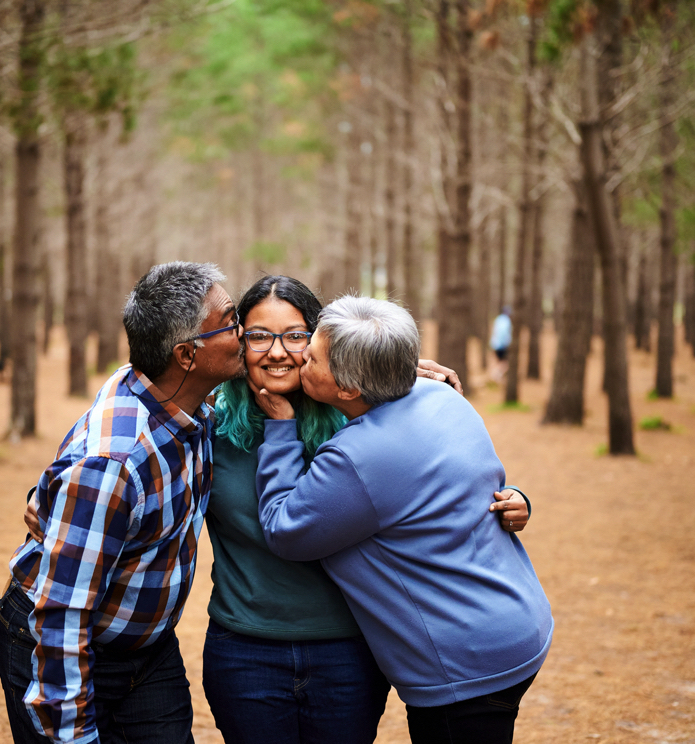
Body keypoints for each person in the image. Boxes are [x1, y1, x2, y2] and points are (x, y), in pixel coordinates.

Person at [201, 276, 532, 744]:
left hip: (347, 650)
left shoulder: (361, 413)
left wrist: (512, 499)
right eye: (259, 335)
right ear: (239, 340)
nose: (278, 352)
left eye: (297, 337)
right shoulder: (205, 427)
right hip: (246, 650)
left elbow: (442, 476)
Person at [0, 262, 245, 744]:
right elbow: (63, 614)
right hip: (62, 641)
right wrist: (73, 734)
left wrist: (395, 378)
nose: (243, 333)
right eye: (231, 321)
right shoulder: (116, 465)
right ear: (187, 355)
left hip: (148, 650)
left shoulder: (177, 396)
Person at [490, 305, 512, 382]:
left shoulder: (498, 319)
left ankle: (496, 375)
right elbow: (503, 333)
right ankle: (496, 375)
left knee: (499, 361)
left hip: (495, 344)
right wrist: (506, 343)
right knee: (504, 362)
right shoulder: (506, 321)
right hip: (502, 345)